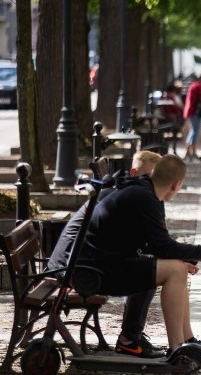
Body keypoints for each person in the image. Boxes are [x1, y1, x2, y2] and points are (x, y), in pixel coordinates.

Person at [79, 154, 201, 358]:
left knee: (177, 267)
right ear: (176, 184)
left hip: (101, 263)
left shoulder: (146, 192)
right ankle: (179, 350)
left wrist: (184, 258)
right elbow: (163, 247)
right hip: (95, 272)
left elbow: (158, 245)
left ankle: (187, 343)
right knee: (176, 269)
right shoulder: (145, 198)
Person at [47, 150, 164, 358]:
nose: (155, 184)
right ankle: (129, 339)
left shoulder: (124, 191)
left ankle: (131, 337)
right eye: (150, 177)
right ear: (135, 172)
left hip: (73, 262)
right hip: (74, 269)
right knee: (149, 272)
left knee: (149, 267)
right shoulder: (122, 195)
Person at [182, 72, 201, 160]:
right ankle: (193, 151)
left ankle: (188, 151)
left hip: (191, 110)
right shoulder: (199, 86)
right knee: (195, 131)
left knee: (192, 131)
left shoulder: (194, 85)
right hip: (195, 112)